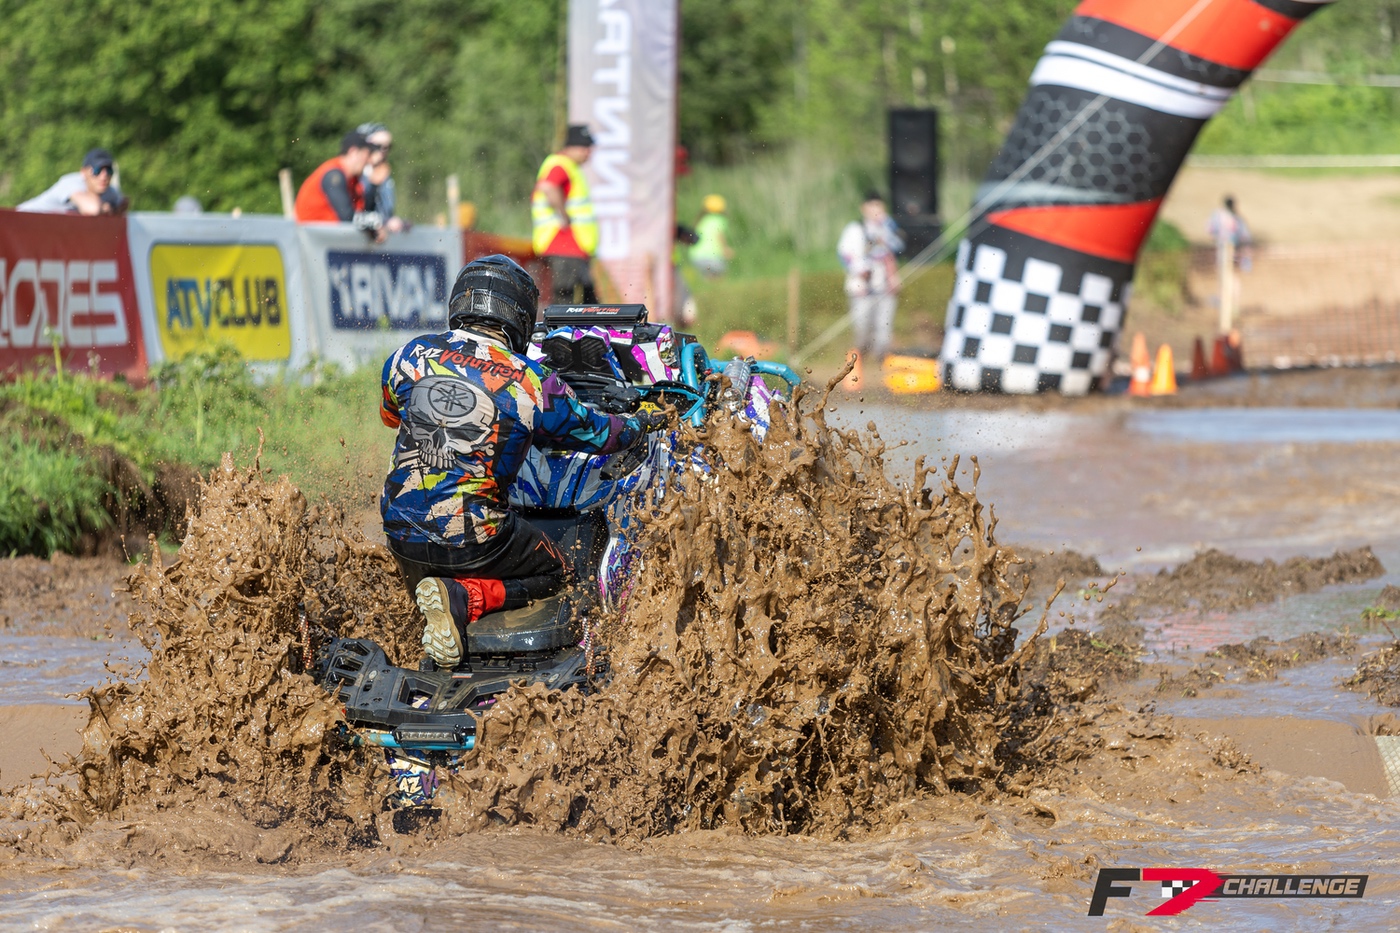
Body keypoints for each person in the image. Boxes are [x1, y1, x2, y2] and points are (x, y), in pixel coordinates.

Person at [379, 254, 667, 669]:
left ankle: (443, 603)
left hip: (399, 532)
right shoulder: (530, 380)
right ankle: (465, 597)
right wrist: (642, 422)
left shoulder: (408, 354)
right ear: (519, 316)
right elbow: (602, 435)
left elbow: (392, 416)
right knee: (561, 569)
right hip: (472, 540)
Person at [837, 191, 905, 388]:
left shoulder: (887, 228)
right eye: (872, 206)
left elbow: (899, 247)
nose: (876, 210)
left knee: (884, 334)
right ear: (864, 208)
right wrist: (860, 269)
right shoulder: (855, 229)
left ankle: (887, 380)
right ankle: (854, 377)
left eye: (879, 206)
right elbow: (844, 254)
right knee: (862, 333)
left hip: (884, 289)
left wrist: (888, 228)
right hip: (861, 290)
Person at [532, 125, 599, 306]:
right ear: (572, 146)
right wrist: (564, 216)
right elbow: (548, 187)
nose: (588, 152)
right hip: (562, 245)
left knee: (587, 303)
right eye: (585, 147)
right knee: (564, 303)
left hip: (573, 247)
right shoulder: (560, 164)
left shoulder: (570, 167)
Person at [294, 130, 374, 229]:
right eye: (367, 155)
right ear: (353, 152)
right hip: (313, 236)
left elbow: (360, 211)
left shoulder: (352, 179)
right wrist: (377, 223)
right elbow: (347, 217)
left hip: (325, 235)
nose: (369, 161)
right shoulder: (334, 175)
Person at [17, 148, 128, 215]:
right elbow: (92, 209)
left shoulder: (107, 190)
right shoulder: (72, 183)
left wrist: (113, 209)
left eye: (109, 170)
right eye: (97, 170)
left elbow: (124, 202)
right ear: (83, 172)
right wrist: (105, 208)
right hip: (20, 219)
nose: (104, 176)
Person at [1207, 195, 1252, 335]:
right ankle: (1234, 307)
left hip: (1224, 251)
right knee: (1234, 278)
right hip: (1236, 252)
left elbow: (1210, 230)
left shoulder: (1218, 215)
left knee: (1224, 277)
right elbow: (1245, 236)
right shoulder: (1238, 218)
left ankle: (1225, 309)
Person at [357, 122, 406, 242]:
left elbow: (387, 210)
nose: (383, 151)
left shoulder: (384, 173)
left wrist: (390, 222)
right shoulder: (356, 172)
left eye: (388, 147)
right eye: (378, 146)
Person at [689, 194, 734, 279]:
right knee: (718, 277)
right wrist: (725, 248)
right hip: (712, 256)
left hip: (696, 256)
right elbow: (719, 235)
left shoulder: (701, 220)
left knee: (708, 278)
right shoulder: (718, 219)